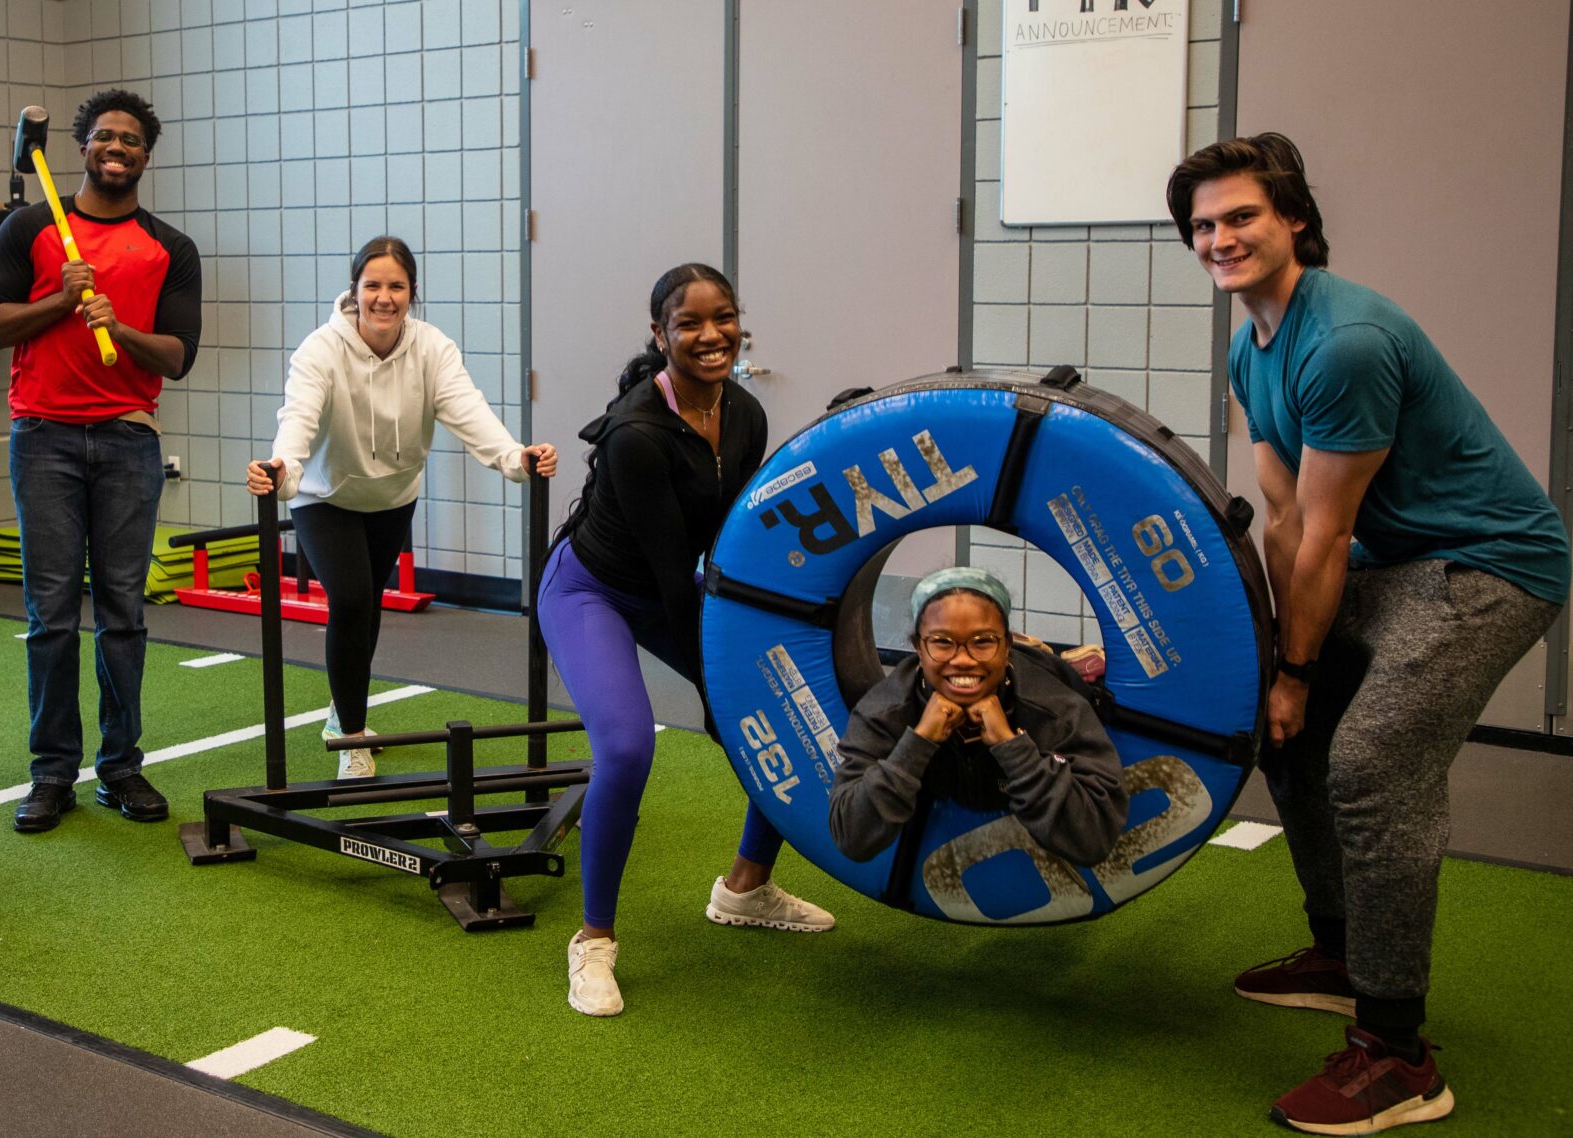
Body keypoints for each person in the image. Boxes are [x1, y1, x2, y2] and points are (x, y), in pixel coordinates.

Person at [1168, 133, 1569, 1135]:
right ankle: (1342, 952)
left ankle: (1397, 1054)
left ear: (1294, 219)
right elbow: (1282, 517)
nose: (1220, 238)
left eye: (1241, 217)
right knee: (1285, 732)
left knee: (1372, 764)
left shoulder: (1342, 341)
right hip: (1389, 564)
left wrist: (1298, 669)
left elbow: (1325, 532)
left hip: (1488, 566)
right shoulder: (1249, 347)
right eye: (1203, 226)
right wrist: (1274, 668)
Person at [539, 263, 834, 1018]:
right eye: (690, 323)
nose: (711, 335)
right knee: (628, 747)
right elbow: (675, 577)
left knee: (777, 706)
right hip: (592, 591)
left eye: (723, 318)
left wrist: (743, 672)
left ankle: (747, 887)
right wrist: (713, 687)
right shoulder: (638, 433)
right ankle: (594, 940)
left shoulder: (746, 413)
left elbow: (732, 541)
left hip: (674, 587)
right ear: (660, 333)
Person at [0, 89, 201, 833]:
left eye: (131, 140)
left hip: (130, 440)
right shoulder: (31, 227)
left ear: (145, 156)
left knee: (123, 614)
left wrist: (119, 327)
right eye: (105, 136)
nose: (117, 148)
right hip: (43, 439)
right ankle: (51, 774)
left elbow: (178, 356)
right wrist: (60, 302)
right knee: (50, 616)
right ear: (81, 148)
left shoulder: (169, 247)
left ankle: (121, 766)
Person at [246, 236, 556, 777]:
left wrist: (514, 457)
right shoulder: (322, 349)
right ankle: (349, 737)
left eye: (397, 286)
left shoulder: (432, 348)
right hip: (325, 496)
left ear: (412, 291)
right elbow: (298, 416)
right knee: (350, 599)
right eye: (373, 285)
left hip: (392, 496)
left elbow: (468, 410)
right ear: (354, 290)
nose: (384, 298)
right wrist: (283, 470)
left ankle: (344, 709)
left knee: (367, 607)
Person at [826, 567, 1126, 868]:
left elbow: (1094, 839)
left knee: (1063, 676)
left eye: (982, 642)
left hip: (1042, 675)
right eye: (942, 642)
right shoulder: (886, 709)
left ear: (1006, 647)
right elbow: (851, 837)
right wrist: (917, 742)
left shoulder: (1056, 708)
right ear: (918, 648)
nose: (963, 660)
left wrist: (1013, 747)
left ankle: (1050, 656)